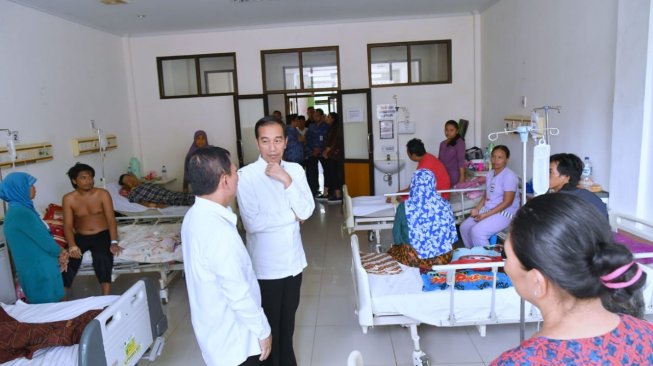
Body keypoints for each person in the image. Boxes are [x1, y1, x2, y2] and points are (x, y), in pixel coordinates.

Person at [491, 194, 653, 365]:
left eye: (507, 256)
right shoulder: (646, 334)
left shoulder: (517, 362)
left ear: (538, 281)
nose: (506, 265)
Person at [181, 146, 272, 366]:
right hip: (235, 342)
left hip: (214, 334)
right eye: (234, 172)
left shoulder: (193, 216)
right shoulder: (218, 233)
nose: (237, 177)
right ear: (224, 181)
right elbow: (237, 292)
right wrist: (263, 331)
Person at [237, 116, 315, 366]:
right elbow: (253, 223)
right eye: (265, 141)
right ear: (257, 143)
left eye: (277, 140)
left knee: (287, 327)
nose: (272, 148)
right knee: (268, 332)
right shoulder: (246, 176)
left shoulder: (295, 171)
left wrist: (286, 179)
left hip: (293, 265)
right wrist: (292, 216)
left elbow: (308, 210)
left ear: (286, 142)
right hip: (265, 269)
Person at [0, 172, 67, 304]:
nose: (34, 188)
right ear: (19, 189)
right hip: (39, 269)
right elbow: (45, 241)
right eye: (30, 185)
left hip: (35, 266)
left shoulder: (19, 210)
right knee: (47, 306)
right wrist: (62, 253)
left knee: (45, 305)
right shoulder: (22, 213)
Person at [62, 163, 122, 296]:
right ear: (74, 181)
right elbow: (67, 226)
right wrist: (72, 245)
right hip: (81, 236)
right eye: (83, 178)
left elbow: (111, 220)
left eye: (90, 177)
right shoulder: (69, 199)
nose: (88, 180)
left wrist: (113, 242)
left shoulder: (102, 194)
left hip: (102, 233)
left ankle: (105, 298)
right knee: (68, 259)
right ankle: (63, 299)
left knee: (102, 257)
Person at [388, 169, 457, 273]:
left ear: (413, 184)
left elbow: (397, 236)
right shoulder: (445, 205)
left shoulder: (404, 207)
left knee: (393, 251)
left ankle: (421, 268)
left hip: (413, 258)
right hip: (443, 258)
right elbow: (452, 236)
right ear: (433, 183)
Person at [460, 145, 519, 247]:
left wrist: (485, 215)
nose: (495, 160)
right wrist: (477, 209)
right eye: (493, 156)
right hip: (488, 209)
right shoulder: (490, 174)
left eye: (500, 157)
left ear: (506, 160)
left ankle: (488, 261)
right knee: (464, 227)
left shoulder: (509, 176)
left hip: (505, 213)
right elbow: (486, 195)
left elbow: (507, 202)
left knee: (477, 232)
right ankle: (472, 254)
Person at [549, 153, 608, 219]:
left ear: (566, 176)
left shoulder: (558, 201)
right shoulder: (589, 196)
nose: (545, 175)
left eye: (550, 172)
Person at [119, 173, 195, 207]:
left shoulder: (144, 183)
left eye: (130, 178)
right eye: (127, 182)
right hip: (165, 199)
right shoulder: (132, 194)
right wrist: (156, 206)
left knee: (189, 195)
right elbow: (142, 203)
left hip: (169, 193)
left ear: (132, 176)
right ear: (126, 186)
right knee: (190, 198)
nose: (130, 181)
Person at [305, 108, 330, 198]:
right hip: (312, 152)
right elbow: (307, 138)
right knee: (312, 172)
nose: (315, 117)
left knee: (327, 171)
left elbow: (328, 139)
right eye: (314, 115)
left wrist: (320, 149)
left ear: (322, 116)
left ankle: (327, 192)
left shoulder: (327, 126)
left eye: (317, 115)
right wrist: (313, 150)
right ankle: (314, 190)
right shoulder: (311, 126)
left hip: (323, 152)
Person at [321, 112, 343, 202]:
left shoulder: (336, 127)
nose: (327, 118)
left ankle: (338, 195)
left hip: (333, 154)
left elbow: (333, 141)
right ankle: (331, 193)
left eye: (329, 117)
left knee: (333, 174)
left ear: (333, 119)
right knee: (330, 174)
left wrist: (326, 151)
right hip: (332, 154)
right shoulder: (331, 127)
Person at [438, 120, 466, 186]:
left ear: (456, 131)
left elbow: (461, 162)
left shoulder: (460, 143)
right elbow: (439, 161)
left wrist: (462, 178)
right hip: (443, 175)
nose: (448, 132)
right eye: (446, 130)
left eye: (451, 130)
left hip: (454, 176)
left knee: (453, 195)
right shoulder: (442, 144)